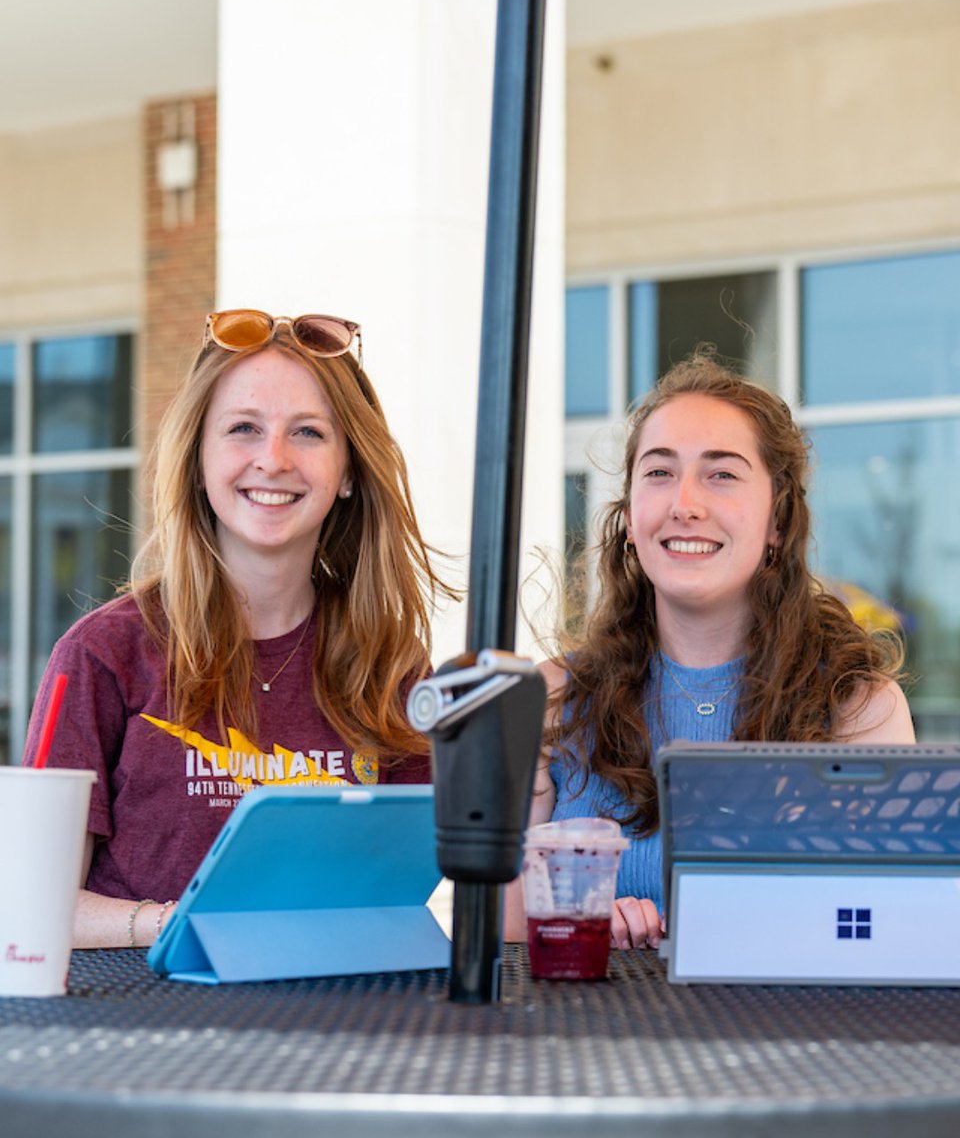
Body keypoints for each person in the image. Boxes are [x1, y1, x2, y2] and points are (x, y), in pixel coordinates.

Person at [24, 309, 455, 949]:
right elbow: (29, 902)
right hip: (136, 1031)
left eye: (308, 432)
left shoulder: (389, 664)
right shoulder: (102, 656)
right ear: (199, 459)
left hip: (332, 1026)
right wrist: (177, 926)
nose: (273, 459)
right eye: (243, 429)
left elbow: (392, 889)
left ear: (347, 473)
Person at [505, 350, 915, 950]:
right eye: (659, 472)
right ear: (629, 514)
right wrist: (579, 923)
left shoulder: (857, 708)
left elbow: (895, 927)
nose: (685, 503)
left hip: (790, 1041)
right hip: (588, 1037)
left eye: (721, 474)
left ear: (777, 519)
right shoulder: (550, 700)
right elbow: (490, 921)